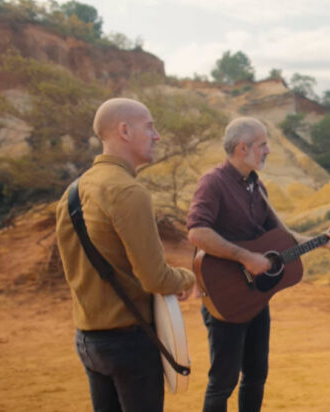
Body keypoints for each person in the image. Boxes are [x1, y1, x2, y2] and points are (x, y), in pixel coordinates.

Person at [186, 117, 330, 412]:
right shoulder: (213, 183)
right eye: (263, 144)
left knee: (256, 375)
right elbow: (197, 231)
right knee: (223, 382)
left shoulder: (257, 187)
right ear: (243, 148)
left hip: (256, 297)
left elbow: (282, 235)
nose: (268, 150)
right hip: (225, 296)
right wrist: (246, 257)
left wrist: (318, 239)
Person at [55, 97, 196, 411]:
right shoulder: (128, 191)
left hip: (88, 340)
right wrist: (189, 278)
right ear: (124, 131)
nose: (156, 136)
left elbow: (72, 272)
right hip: (129, 342)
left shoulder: (72, 192)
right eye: (150, 127)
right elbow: (156, 277)